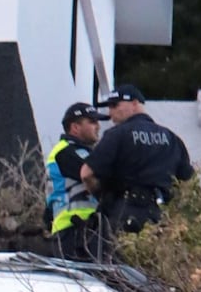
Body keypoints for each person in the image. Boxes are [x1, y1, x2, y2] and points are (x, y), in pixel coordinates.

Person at [80, 86, 193, 236]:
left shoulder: (116, 135)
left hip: (122, 212)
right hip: (160, 216)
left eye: (115, 105)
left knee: (115, 257)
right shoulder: (172, 138)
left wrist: (100, 194)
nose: (110, 112)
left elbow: (86, 174)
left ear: (134, 103)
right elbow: (188, 182)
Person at [43, 100, 105, 254]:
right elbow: (100, 174)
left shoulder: (83, 152)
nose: (98, 126)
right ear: (75, 127)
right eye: (92, 121)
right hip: (71, 230)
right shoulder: (66, 152)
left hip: (83, 229)